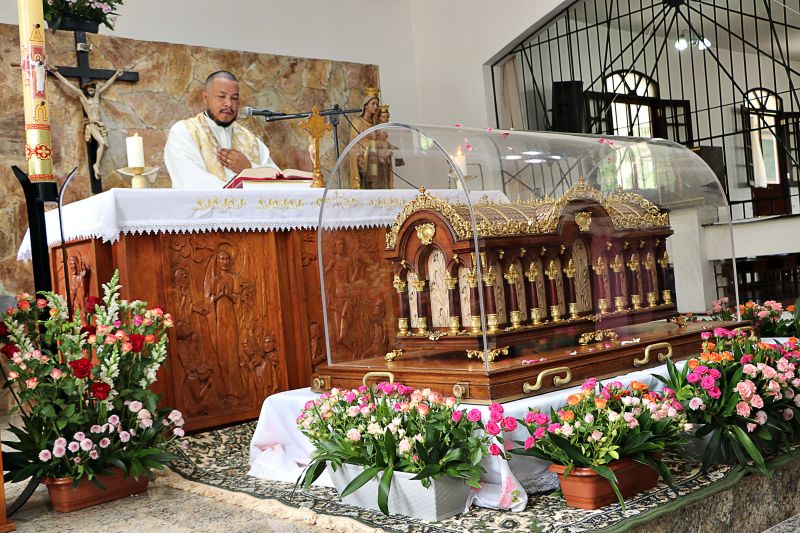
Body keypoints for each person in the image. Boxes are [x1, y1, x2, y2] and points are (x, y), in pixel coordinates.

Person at [164, 71, 280, 188]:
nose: (228, 104)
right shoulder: (184, 132)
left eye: (234, 98)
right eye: (221, 96)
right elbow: (194, 182)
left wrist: (249, 168)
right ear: (206, 98)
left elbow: (279, 180)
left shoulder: (249, 139)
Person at [49, 67, 124, 178]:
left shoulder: (97, 95)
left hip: (100, 124)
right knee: (102, 143)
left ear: (94, 89)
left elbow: (107, 84)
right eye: (88, 90)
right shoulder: (83, 97)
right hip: (92, 124)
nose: (90, 92)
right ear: (86, 91)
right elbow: (68, 84)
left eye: (92, 90)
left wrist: (116, 75)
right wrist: (56, 73)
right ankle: (96, 165)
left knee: (106, 145)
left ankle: (98, 164)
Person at [348, 86, 380, 189]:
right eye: (373, 104)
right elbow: (355, 143)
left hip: (374, 156)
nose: (375, 107)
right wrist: (371, 142)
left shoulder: (375, 124)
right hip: (362, 156)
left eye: (377, 104)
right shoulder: (357, 122)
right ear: (365, 105)